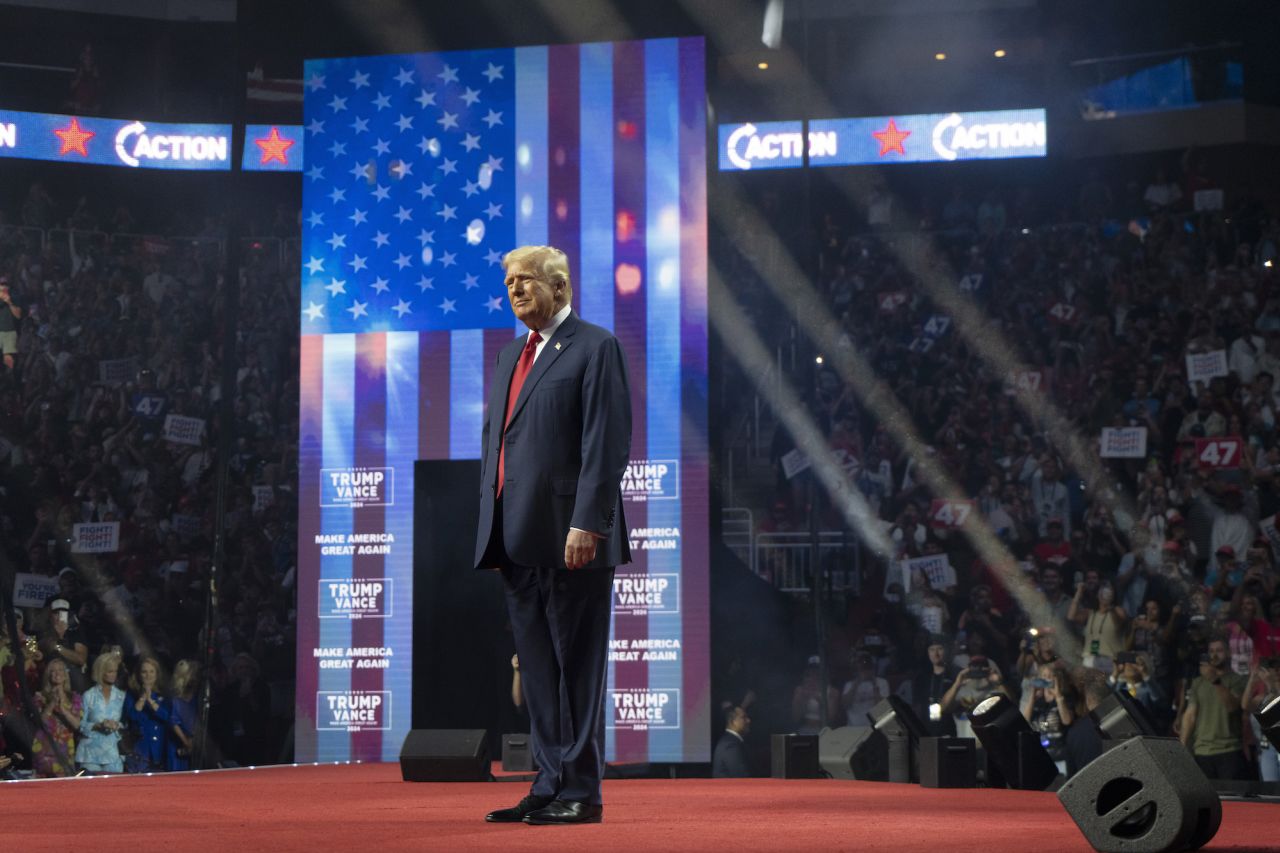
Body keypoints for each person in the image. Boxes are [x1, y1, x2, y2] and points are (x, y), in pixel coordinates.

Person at [475, 245, 631, 827]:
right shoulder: (510, 355)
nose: (515, 291)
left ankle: (582, 792)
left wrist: (587, 521)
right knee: (537, 667)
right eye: (509, 282)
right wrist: (490, 530)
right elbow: (496, 446)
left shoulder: (596, 347)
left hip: (572, 538)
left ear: (560, 288)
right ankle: (547, 782)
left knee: (577, 667)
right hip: (516, 538)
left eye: (527, 281)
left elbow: (606, 442)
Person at [1180, 638, 1248, 780]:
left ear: (1229, 653)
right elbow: (1190, 715)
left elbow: (1233, 707)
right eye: (1211, 651)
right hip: (1201, 751)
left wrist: (1215, 681)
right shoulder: (1198, 682)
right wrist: (1182, 746)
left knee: (1232, 799)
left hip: (1230, 750)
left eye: (1219, 651)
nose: (1214, 655)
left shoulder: (1238, 680)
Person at [31, 657, 82, 777]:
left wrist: (64, 710)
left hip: (64, 748)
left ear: (65, 675)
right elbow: (39, 722)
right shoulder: (39, 697)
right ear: (48, 675)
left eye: (60, 670)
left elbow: (77, 725)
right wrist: (52, 703)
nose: (57, 673)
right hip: (44, 747)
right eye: (53, 671)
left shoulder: (74, 698)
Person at [77, 651, 125, 773]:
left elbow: (125, 723)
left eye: (115, 671)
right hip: (90, 753)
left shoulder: (120, 696)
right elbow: (80, 724)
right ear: (101, 672)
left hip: (112, 752)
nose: (113, 675)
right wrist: (98, 725)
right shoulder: (89, 695)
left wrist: (116, 725)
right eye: (110, 671)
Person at [125, 656, 171, 773]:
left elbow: (167, 717)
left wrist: (151, 700)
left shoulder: (163, 695)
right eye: (144, 672)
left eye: (151, 671)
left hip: (159, 749)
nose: (148, 675)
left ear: (157, 674)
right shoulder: (132, 695)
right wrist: (143, 697)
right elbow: (132, 716)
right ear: (139, 674)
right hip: (139, 751)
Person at [1242, 656, 1280, 782]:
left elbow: (1275, 703)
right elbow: (1245, 705)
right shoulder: (1263, 696)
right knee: (1271, 789)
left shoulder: (1273, 693)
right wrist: (1252, 681)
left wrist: (1271, 684)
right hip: (1267, 748)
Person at [841, 650, 889, 727]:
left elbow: (882, 709)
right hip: (854, 728)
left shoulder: (882, 683)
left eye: (867, 666)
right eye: (862, 666)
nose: (865, 669)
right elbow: (845, 705)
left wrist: (874, 684)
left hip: (874, 728)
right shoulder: (849, 685)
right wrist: (857, 683)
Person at [167, 659, 199, 771]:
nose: (194, 679)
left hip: (197, 745)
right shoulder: (176, 699)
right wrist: (186, 742)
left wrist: (194, 741)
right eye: (191, 675)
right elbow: (174, 721)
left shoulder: (199, 697)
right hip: (178, 745)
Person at [712, 705, 752, 778]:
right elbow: (741, 777)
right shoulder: (730, 745)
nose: (748, 720)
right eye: (744, 717)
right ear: (733, 721)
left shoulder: (730, 741)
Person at [0, 277, 21, 372]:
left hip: (9, 332)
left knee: (8, 360)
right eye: (1, 284)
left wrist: (9, 302)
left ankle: (10, 378)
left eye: (4, 284)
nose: (3, 286)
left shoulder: (14, 297)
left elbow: (18, 315)